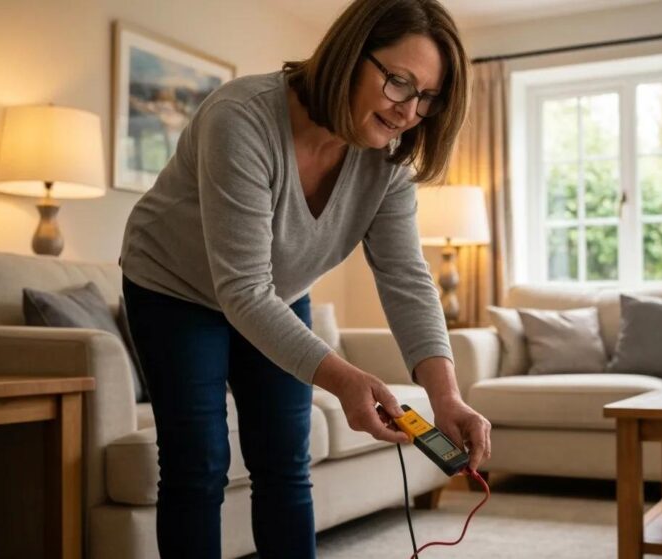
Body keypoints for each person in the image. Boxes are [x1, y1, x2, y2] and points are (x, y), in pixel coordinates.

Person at [118, 0, 491, 556]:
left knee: (285, 462)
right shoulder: (240, 119)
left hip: (276, 294)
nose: (408, 110)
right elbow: (241, 290)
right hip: (173, 288)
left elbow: (406, 277)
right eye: (398, 82)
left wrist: (448, 396)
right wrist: (343, 378)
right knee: (197, 463)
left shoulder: (387, 160)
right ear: (349, 54)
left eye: (426, 97)